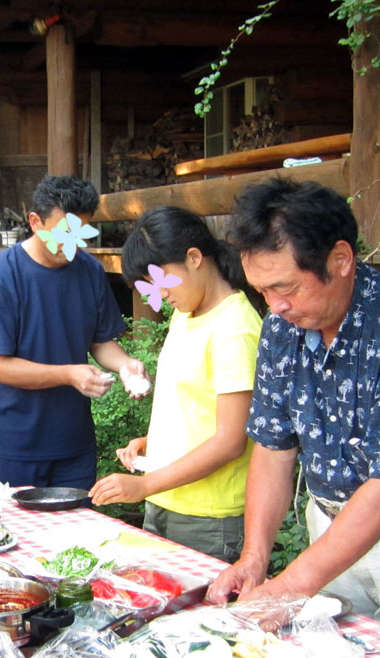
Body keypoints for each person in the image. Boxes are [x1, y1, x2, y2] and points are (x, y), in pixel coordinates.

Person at [206, 179, 380, 656]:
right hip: (331, 527)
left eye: (285, 287)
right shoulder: (282, 327)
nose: (275, 306)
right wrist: (255, 558)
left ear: (340, 259)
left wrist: (291, 586)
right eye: (262, 291)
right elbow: (274, 449)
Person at [89, 207, 261, 562]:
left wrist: (143, 485)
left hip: (208, 518)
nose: (158, 293)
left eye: (159, 279)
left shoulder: (235, 329)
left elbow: (230, 441)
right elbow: (196, 409)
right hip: (165, 501)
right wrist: (153, 444)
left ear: (194, 258)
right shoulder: (187, 315)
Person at [0, 175, 150, 489]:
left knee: (76, 534)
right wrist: (69, 375)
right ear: (35, 222)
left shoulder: (90, 270)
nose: (74, 244)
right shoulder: (2, 275)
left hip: (75, 439)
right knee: (24, 535)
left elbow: (100, 342)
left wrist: (125, 364)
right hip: (19, 440)